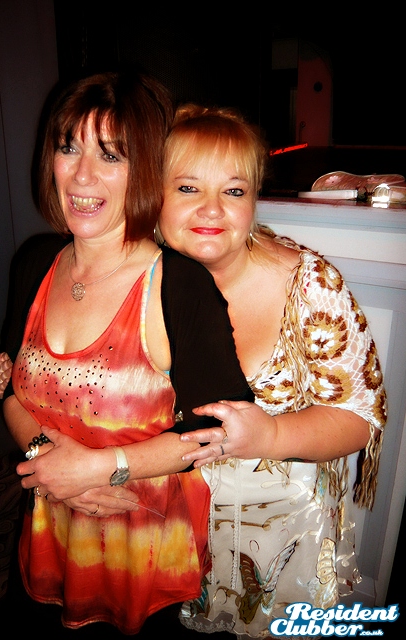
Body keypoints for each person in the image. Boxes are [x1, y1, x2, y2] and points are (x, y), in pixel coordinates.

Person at [0, 72, 254, 637]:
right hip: (47, 533)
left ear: (146, 171)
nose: (82, 175)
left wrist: (102, 468)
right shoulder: (34, 263)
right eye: (69, 148)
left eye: (110, 155)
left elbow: (215, 433)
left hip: (142, 556)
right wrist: (49, 462)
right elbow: (9, 388)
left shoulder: (178, 286)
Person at [155, 104, 387, 638]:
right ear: (154, 195)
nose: (212, 208)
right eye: (187, 187)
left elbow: (359, 419)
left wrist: (272, 435)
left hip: (283, 542)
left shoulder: (309, 284)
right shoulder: (139, 277)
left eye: (233, 191)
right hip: (173, 527)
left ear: (254, 199)